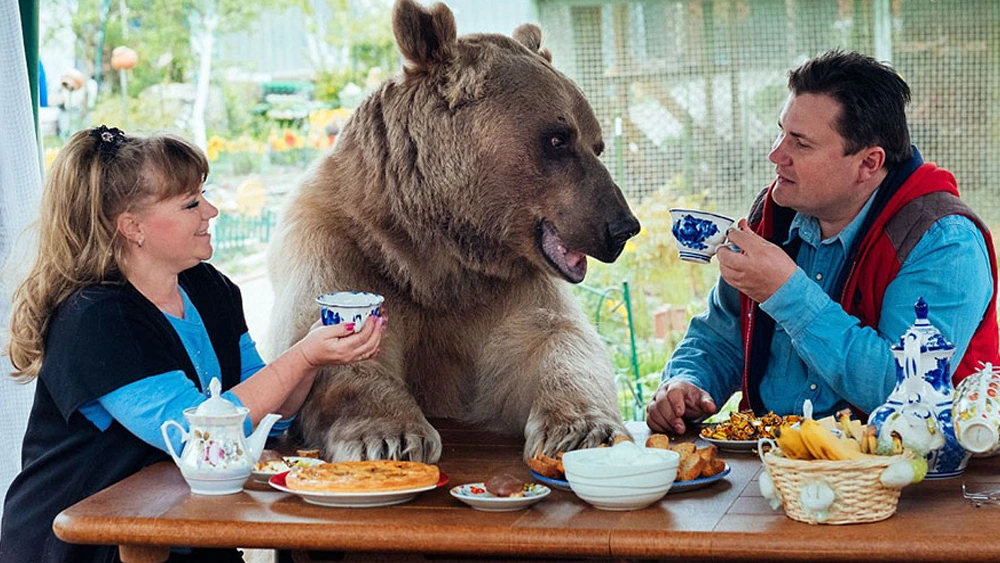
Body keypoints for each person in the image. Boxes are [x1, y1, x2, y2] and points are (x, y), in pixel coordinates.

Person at [0, 126, 386, 562]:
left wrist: (317, 355)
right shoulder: (96, 319)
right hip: (88, 545)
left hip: (180, 529)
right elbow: (198, 438)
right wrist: (303, 355)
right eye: (191, 203)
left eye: (205, 194)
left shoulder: (208, 287)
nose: (212, 210)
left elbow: (267, 419)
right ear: (132, 227)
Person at [647, 50, 999, 435]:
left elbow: (906, 392)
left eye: (800, 143)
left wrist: (785, 292)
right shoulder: (774, 213)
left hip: (909, 478)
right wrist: (687, 383)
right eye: (781, 131)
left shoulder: (943, 242)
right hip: (775, 464)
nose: (776, 154)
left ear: (868, 163)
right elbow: (722, 335)